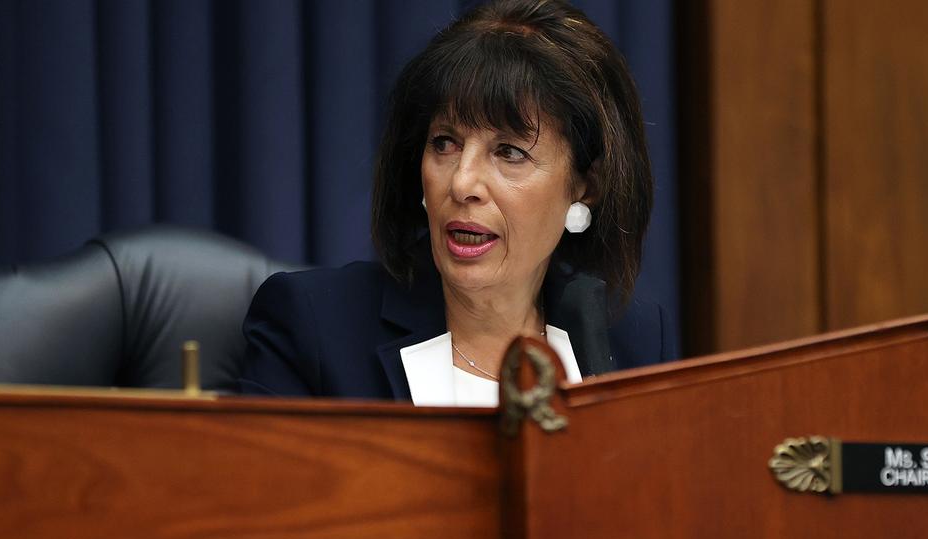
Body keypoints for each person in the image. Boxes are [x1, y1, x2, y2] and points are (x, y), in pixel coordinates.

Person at [239, 0, 677, 405]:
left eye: (509, 152)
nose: (462, 181)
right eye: (445, 143)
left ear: (586, 185)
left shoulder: (631, 342)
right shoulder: (314, 327)